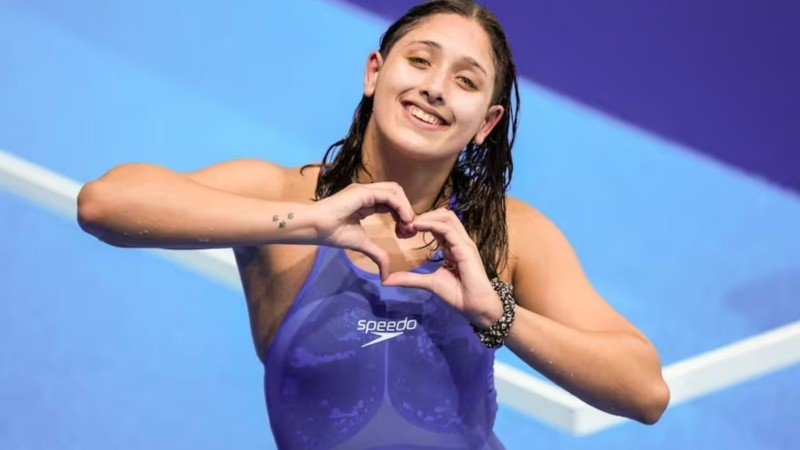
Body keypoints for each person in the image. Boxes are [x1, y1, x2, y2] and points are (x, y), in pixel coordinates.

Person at [77, 1, 670, 448]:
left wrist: (498, 316)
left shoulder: (508, 233)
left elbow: (644, 392)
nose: (436, 89)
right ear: (374, 73)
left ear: (486, 123)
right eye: (420, 61)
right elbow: (106, 204)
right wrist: (307, 221)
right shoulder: (283, 197)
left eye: (465, 81)